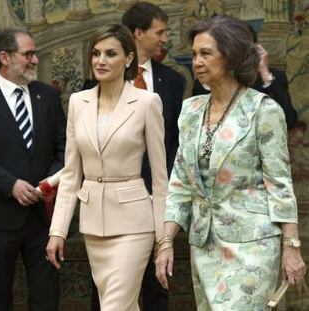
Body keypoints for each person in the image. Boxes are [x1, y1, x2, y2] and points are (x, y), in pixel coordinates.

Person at [155, 15, 306, 310]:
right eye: (195, 53)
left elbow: (280, 183)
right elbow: (180, 182)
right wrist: (166, 241)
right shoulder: (190, 111)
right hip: (204, 244)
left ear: (232, 55)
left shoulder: (263, 110)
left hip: (252, 245)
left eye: (206, 53)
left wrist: (291, 248)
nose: (196, 61)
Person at [46, 24, 168, 311]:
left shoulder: (147, 103)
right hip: (93, 224)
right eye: (96, 53)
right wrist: (58, 231)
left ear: (128, 59)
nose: (100, 60)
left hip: (134, 223)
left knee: (113, 307)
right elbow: (72, 173)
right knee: (123, 306)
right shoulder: (78, 102)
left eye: (110, 53)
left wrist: (163, 239)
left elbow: (161, 180)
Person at [84, 3, 185, 309]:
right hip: (105, 210)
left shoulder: (174, 81)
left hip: (152, 203)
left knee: (157, 288)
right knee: (109, 295)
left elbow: (173, 144)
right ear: (138, 34)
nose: (165, 38)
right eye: (160, 32)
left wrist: (164, 199)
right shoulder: (92, 88)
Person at [0, 28, 66, 311]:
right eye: (28, 54)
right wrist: (11, 185)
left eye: (35, 53)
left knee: (46, 298)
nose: (35, 60)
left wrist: (50, 182)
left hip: (43, 218)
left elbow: (64, 148)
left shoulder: (48, 96)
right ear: (4, 57)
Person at [192, 25, 297, 130]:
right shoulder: (205, 82)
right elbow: (195, 124)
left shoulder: (271, 77)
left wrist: (265, 74)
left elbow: (288, 121)